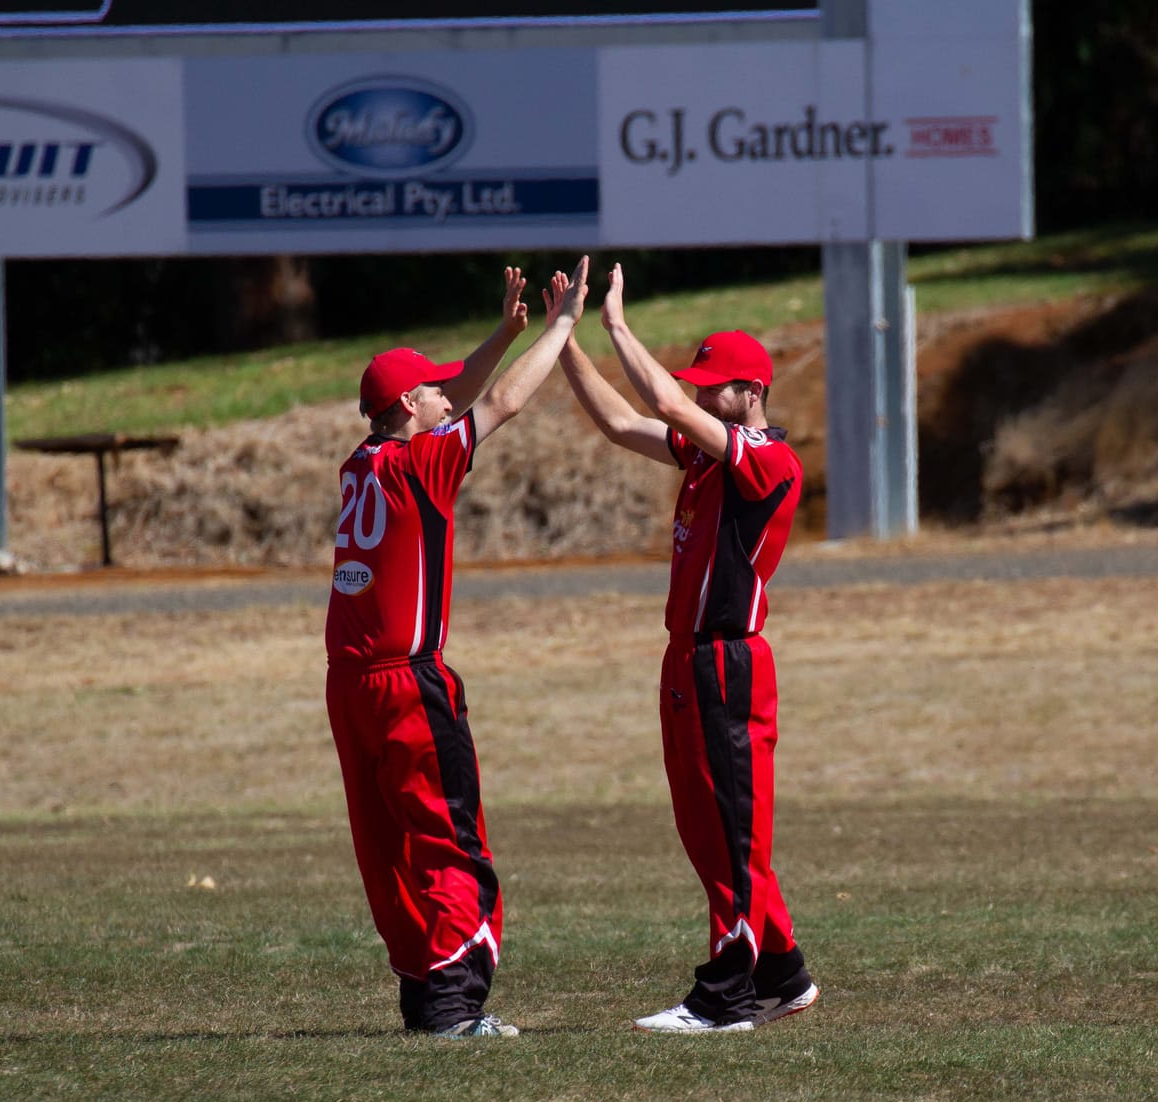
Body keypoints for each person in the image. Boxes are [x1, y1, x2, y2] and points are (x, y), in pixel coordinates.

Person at [326, 258, 588, 1040]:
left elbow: (461, 397)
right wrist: (559, 328)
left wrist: (499, 333)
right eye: (435, 390)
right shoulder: (424, 462)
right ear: (410, 405)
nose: (449, 396)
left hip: (349, 685)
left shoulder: (361, 463)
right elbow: (500, 401)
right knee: (450, 841)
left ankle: (422, 996)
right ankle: (452, 1006)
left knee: (389, 851)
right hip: (409, 684)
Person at [554, 262, 818, 1034]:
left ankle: (726, 998)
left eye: (715, 387)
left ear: (752, 392)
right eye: (700, 386)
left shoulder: (765, 459)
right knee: (709, 831)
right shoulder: (707, 455)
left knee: (730, 834)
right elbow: (617, 420)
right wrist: (563, 338)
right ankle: (783, 974)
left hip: (730, 661)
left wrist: (615, 326)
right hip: (689, 659)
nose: (700, 396)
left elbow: (663, 399)